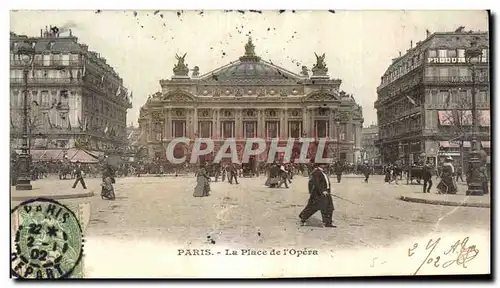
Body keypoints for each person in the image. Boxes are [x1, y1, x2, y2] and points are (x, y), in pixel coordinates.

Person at [299, 163, 335, 228]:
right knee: (313, 208)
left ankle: (328, 223)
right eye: (323, 164)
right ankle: (303, 217)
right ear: (319, 165)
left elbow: (326, 182)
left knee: (330, 207)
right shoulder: (316, 172)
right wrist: (322, 191)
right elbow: (316, 183)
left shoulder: (323, 172)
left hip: (326, 193)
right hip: (319, 194)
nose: (325, 165)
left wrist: (327, 190)